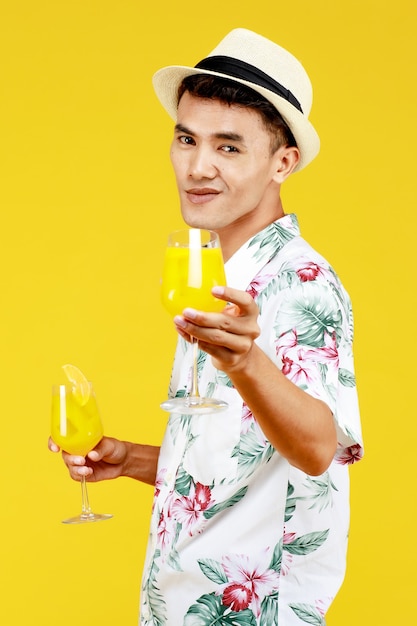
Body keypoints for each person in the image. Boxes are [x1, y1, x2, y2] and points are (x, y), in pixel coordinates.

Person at [50, 28, 363, 625]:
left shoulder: (297, 283)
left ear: (283, 162)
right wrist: (135, 459)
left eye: (228, 147)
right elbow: (243, 463)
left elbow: (321, 447)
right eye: (186, 138)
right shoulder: (216, 278)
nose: (197, 167)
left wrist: (246, 363)